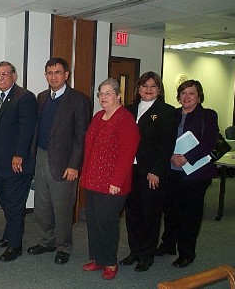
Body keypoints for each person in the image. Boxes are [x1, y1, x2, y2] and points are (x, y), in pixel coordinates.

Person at [27, 58, 90, 265]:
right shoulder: (42, 97)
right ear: (45, 75)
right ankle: (47, 242)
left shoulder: (79, 100)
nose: (53, 77)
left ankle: (64, 246)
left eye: (57, 72)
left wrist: (74, 165)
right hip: (42, 157)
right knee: (42, 205)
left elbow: (82, 137)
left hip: (65, 163)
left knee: (62, 207)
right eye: (49, 73)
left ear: (66, 75)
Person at [80, 78, 140, 280]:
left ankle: (111, 263)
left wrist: (116, 182)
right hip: (93, 180)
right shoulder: (98, 116)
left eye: (108, 93)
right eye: (101, 94)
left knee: (107, 223)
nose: (103, 97)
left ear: (118, 95)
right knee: (94, 222)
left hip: (112, 184)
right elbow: (90, 149)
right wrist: (85, 175)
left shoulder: (125, 119)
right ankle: (98, 258)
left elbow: (127, 153)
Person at [156, 80, 219, 268]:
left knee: (189, 215)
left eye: (191, 93)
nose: (186, 96)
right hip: (171, 171)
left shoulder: (207, 116)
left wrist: (186, 157)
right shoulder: (172, 114)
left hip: (195, 174)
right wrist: (170, 156)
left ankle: (187, 252)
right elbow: (162, 140)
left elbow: (209, 142)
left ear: (199, 96)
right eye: (183, 93)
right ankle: (168, 245)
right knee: (170, 212)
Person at [120, 71, 177, 272]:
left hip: (151, 173)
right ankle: (134, 251)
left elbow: (166, 146)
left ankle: (147, 254)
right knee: (132, 213)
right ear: (138, 89)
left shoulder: (167, 111)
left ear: (159, 90)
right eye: (144, 86)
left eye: (153, 86)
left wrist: (156, 171)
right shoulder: (128, 110)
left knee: (150, 214)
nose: (148, 89)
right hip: (130, 171)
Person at [0, 61, 38, 262]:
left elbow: (27, 130)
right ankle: (9, 235)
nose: (0, 78)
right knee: (6, 201)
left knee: (15, 205)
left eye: (5, 74)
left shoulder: (24, 97)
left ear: (14, 76)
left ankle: (15, 246)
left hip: (16, 163)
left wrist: (19, 155)